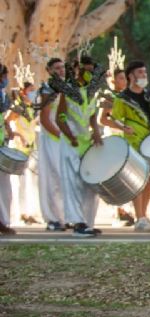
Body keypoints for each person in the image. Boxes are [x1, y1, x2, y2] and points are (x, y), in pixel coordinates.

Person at [110, 60, 150, 232]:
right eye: (140, 72)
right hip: (134, 143)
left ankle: (143, 215)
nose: (144, 75)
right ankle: (139, 218)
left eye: (145, 72)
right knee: (139, 181)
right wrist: (123, 127)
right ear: (131, 76)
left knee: (149, 181)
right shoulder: (123, 98)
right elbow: (114, 119)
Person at [54, 55, 105, 237]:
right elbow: (59, 118)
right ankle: (78, 223)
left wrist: (96, 131)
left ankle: (88, 222)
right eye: (88, 71)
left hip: (87, 144)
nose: (91, 75)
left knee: (91, 183)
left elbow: (92, 114)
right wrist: (71, 136)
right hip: (71, 144)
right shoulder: (67, 92)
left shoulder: (91, 92)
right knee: (73, 183)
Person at [98, 68, 136, 228]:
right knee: (115, 175)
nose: (124, 81)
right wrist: (121, 127)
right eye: (121, 78)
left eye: (125, 78)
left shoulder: (130, 96)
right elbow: (103, 119)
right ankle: (119, 211)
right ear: (113, 80)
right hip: (114, 139)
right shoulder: (109, 97)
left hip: (128, 139)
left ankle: (128, 210)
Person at [36, 58, 68, 232]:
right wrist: (60, 135)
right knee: (52, 177)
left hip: (65, 137)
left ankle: (65, 216)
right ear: (49, 71)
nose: (61, 70)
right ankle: (52, 218)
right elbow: (45, 119)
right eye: (57, 68)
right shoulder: (48, 90)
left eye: (62, 67)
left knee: (65, 178)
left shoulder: (67, 88)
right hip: (52, 138)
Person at [7, 82, 41, 226]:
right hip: (18, 148)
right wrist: (16, 136)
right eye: (30, 90)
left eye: (34, 90)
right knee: (18, 183)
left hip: (30, 147)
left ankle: (30, 212)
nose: (33, 93)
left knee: (30, 182)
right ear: (23, 92)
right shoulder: (18, 107)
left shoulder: (32, 108)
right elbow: (7, 121)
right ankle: (20, 213)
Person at [0, 63, 22, 235]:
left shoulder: (3, 95)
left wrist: (8, 129)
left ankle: (3, 220)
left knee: (5, 188)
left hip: (2, 144)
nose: (4, 80)